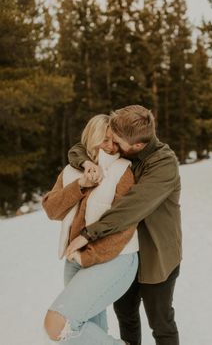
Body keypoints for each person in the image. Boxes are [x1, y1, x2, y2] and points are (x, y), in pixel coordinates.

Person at [68, 105, 182, 345]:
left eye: (116, 142)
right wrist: (86, 164)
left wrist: (89, 234)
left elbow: (131, 207)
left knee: (161, 324)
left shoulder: (164, 164)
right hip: (124, 255)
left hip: (156, 257)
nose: (111, 147)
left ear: (137, 145)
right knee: (126, 318)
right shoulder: (125, 143)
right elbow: (83, 146)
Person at [42, 114, 139, 345]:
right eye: (105, 140)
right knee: (88, 330)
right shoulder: (71, 171)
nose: (112, 147)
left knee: (58, 325)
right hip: (75, 261)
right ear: (91, 137)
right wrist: (80, 185)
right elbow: (51, 209)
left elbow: (124, 226)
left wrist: (89, 256)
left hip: (116, 259)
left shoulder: (123, 170)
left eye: (115, 141)